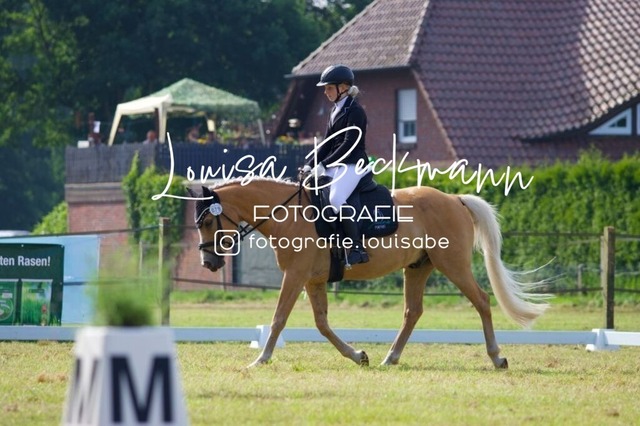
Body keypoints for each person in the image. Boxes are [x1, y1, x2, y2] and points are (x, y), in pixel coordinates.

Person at [302, 64, 370, 266]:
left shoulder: (355, 111)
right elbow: (327, 143)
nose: (326, 92)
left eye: (329, 88)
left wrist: (325, 164)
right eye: (325, 88)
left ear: (344, 87)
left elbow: (349, 144)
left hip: (353, 164)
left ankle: (357, 248)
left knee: (336, 198)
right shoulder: (335, 110)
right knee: (314, 192)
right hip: (337, 165)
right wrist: (310, 164)